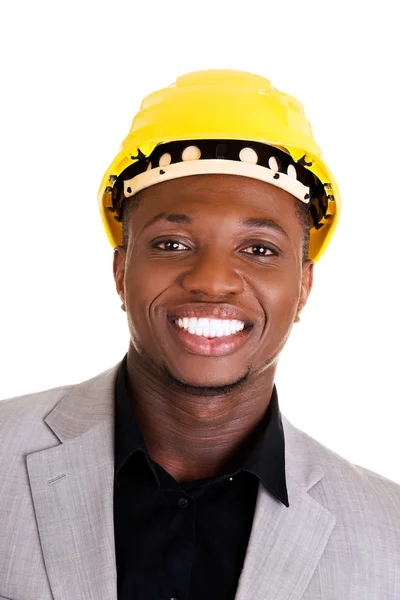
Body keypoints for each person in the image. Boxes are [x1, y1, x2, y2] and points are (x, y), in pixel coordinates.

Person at [0, 69, 399, 600]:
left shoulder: (387, 534)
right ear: (121, 272)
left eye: (258, 249)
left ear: (302, 287)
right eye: (171, 244)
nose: (212, 281)